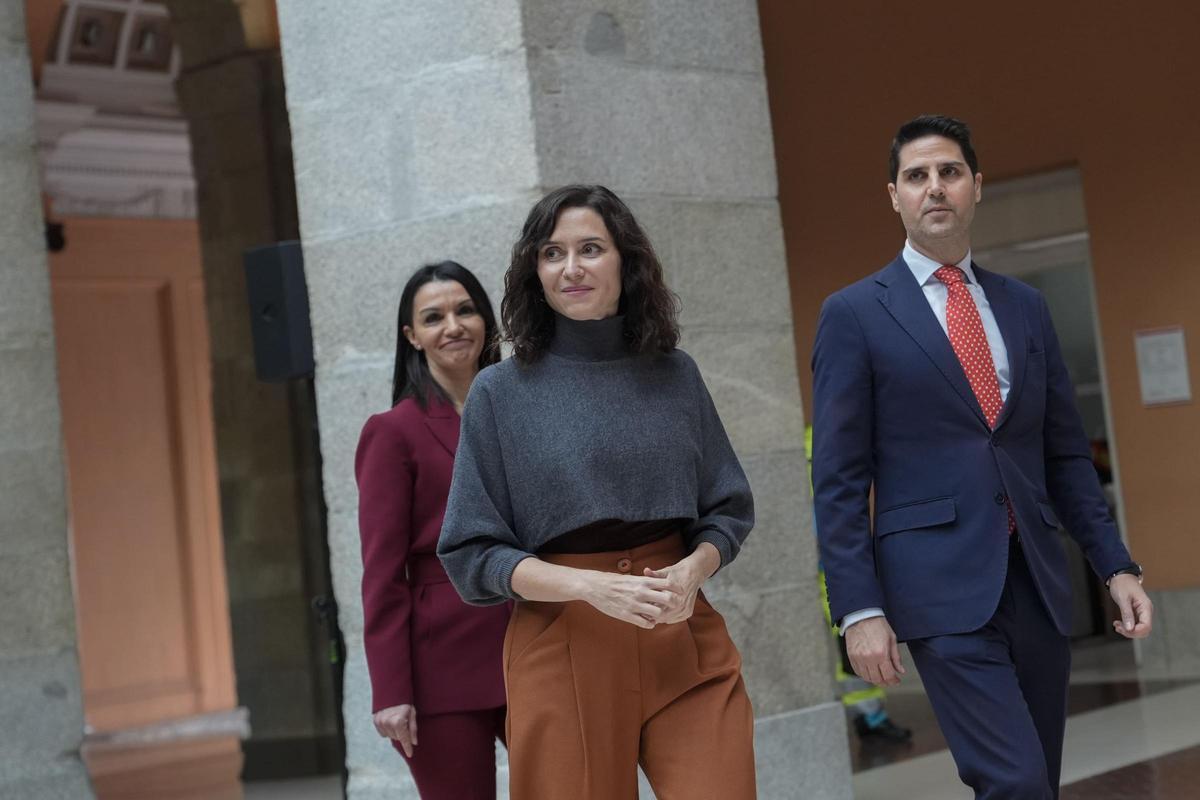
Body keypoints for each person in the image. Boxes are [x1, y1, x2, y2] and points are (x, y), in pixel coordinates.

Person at [811, 115, 1153, 799]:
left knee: (1038, 783)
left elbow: (1064, 453)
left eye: (949, 172)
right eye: (917, 176)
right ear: (894, 196)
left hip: (1036, 580)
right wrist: (858, 609)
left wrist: (1114, 564)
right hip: (936, 588)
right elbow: (839, 481)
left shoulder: (1024, 307)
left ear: (975, 187)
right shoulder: (853, 315)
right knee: (1015, 782)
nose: (934, 188)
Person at [437, 185, 757, 799]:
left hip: (681, 637)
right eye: (553, 253)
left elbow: (727, 508)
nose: (572, 267)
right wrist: (590, 586)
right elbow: (472, 553)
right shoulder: (500, 393)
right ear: (535, 271)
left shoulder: (675, 372)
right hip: (562, 645)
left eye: (590, 248)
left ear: (625, 262)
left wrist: (693, 569)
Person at [355, 261, 511, 799]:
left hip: (532, 641)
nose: (453, 326)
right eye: (434, 316)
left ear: (486, 321)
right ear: (412, 336)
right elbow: (381, 571)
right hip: (441, 666)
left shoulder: (520, 411)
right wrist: (390, 690)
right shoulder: (392, 432)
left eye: (466, 310)